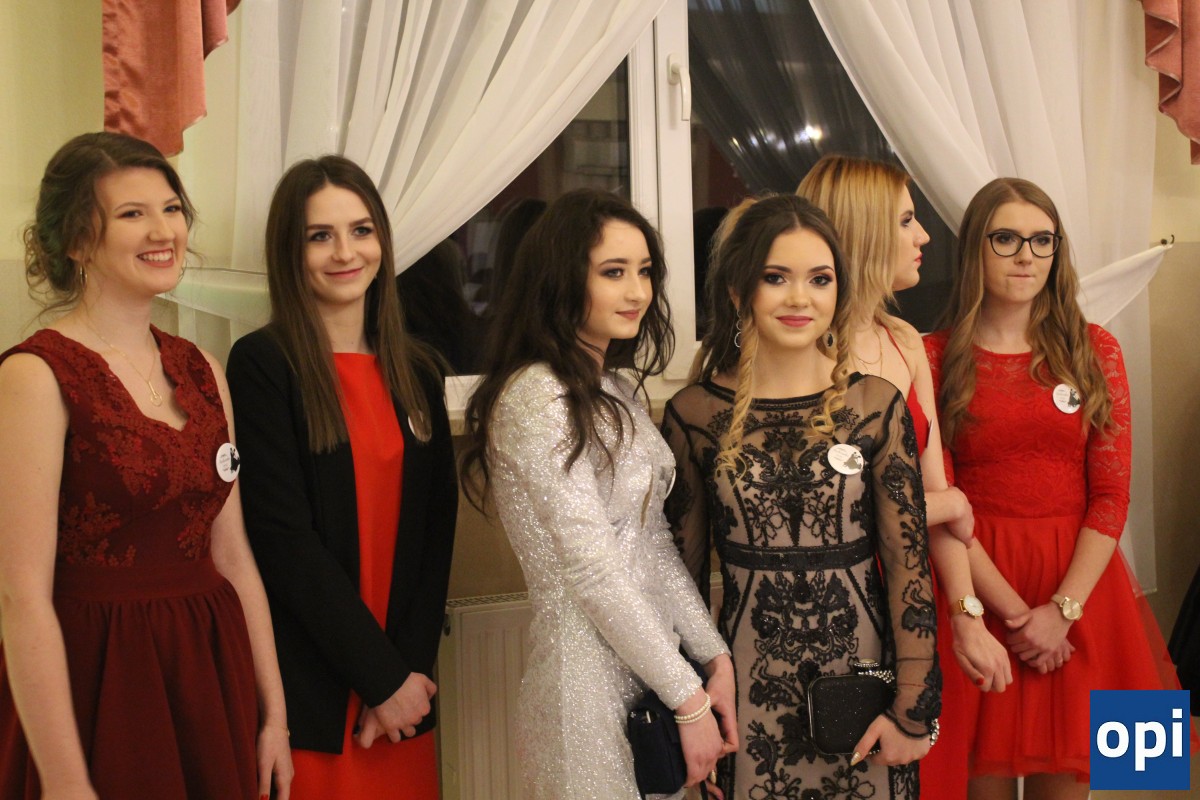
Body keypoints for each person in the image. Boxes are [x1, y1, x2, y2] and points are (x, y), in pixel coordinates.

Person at [0, 132, 293, 799]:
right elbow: (22, 596)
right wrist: (64, 781)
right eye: (132, 214)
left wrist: (273, 714)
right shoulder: (35, 375)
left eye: (171, 209)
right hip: (100, 677)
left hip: (207, 669)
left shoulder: (202, 368)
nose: (163, 231)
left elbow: (234, 555)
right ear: (77, 242)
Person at [459, 188, 737, 799]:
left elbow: (653, 546)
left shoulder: (614, 389)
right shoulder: (536, 395)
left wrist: (714, 660)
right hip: (583, 682)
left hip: (648, 673)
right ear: (562, 279)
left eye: (645, 271)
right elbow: (593, 570)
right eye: (614, 272)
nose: (637, 292)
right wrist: (688, 698)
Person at [925, 177, 1197, 798]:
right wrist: (1018, 616)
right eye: (1006, 239)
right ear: (974, 248)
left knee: (1085, 776)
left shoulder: (1094, 348)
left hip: (1081, 590)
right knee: (975, 782)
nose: (1026, 256)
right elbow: (943, 502)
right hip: (976, 591)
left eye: (1042, 240)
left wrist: (1061, 612)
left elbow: (1112, 495)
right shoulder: (935, 355)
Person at [663, 193, 940, 799]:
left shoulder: (876, 405)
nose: (800, 298)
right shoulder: (693, 416)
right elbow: (680, 585)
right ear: (738, 290)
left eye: (819, 279)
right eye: (775, 278)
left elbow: (908, 567)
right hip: (744, 700)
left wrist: (913, 709)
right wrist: (691, 715)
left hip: (863, 696)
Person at [227, 156, 456, 799]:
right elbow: (282, 540)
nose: (345, 252)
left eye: (361, 230)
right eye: (320, 236)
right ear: (290, 251)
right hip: (319, 689)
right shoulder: (263, 364)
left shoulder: (419, 370)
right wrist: (379, 679)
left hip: (402, 700)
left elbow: (436, 534)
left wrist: (407, 681)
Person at [797, 154, 1012, 800]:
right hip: (840, 598)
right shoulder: (802, 347)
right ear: (862, 231)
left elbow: (935, 486)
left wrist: (966, 612)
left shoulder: (903, 339)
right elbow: (821, 506)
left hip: (918, 598)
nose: (923, 237)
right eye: (906, 221)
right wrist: (946, 505)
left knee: (934, 778)